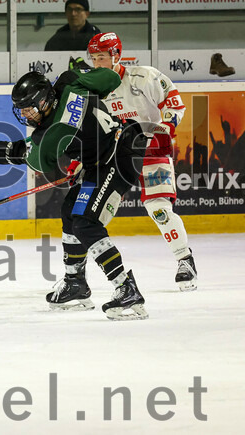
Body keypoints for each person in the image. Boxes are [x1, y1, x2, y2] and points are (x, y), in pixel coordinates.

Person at [0, 52, 149, 320]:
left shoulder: (49, 132)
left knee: (85, 221)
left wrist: (11, 153)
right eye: (22, 108)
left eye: (29, 107)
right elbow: (110, 77)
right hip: (108, 151)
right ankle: (75, 283)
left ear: (44, 102)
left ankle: (126, 288)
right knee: (70, 210)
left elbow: (39, 161)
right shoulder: (69, 80)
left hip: (118, 158)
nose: (25, 113)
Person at [81, 32, 197, 290]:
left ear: (116, 56)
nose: (98, 63)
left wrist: (164, 129)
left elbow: (174, 103)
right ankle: (76, 275)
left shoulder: (144, 76)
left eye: (103, 57)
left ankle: (185, 260)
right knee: (91, 217)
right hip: (115, 159)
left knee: (158, 208)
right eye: (94, 58)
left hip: (152, 152)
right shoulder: (90, 88)